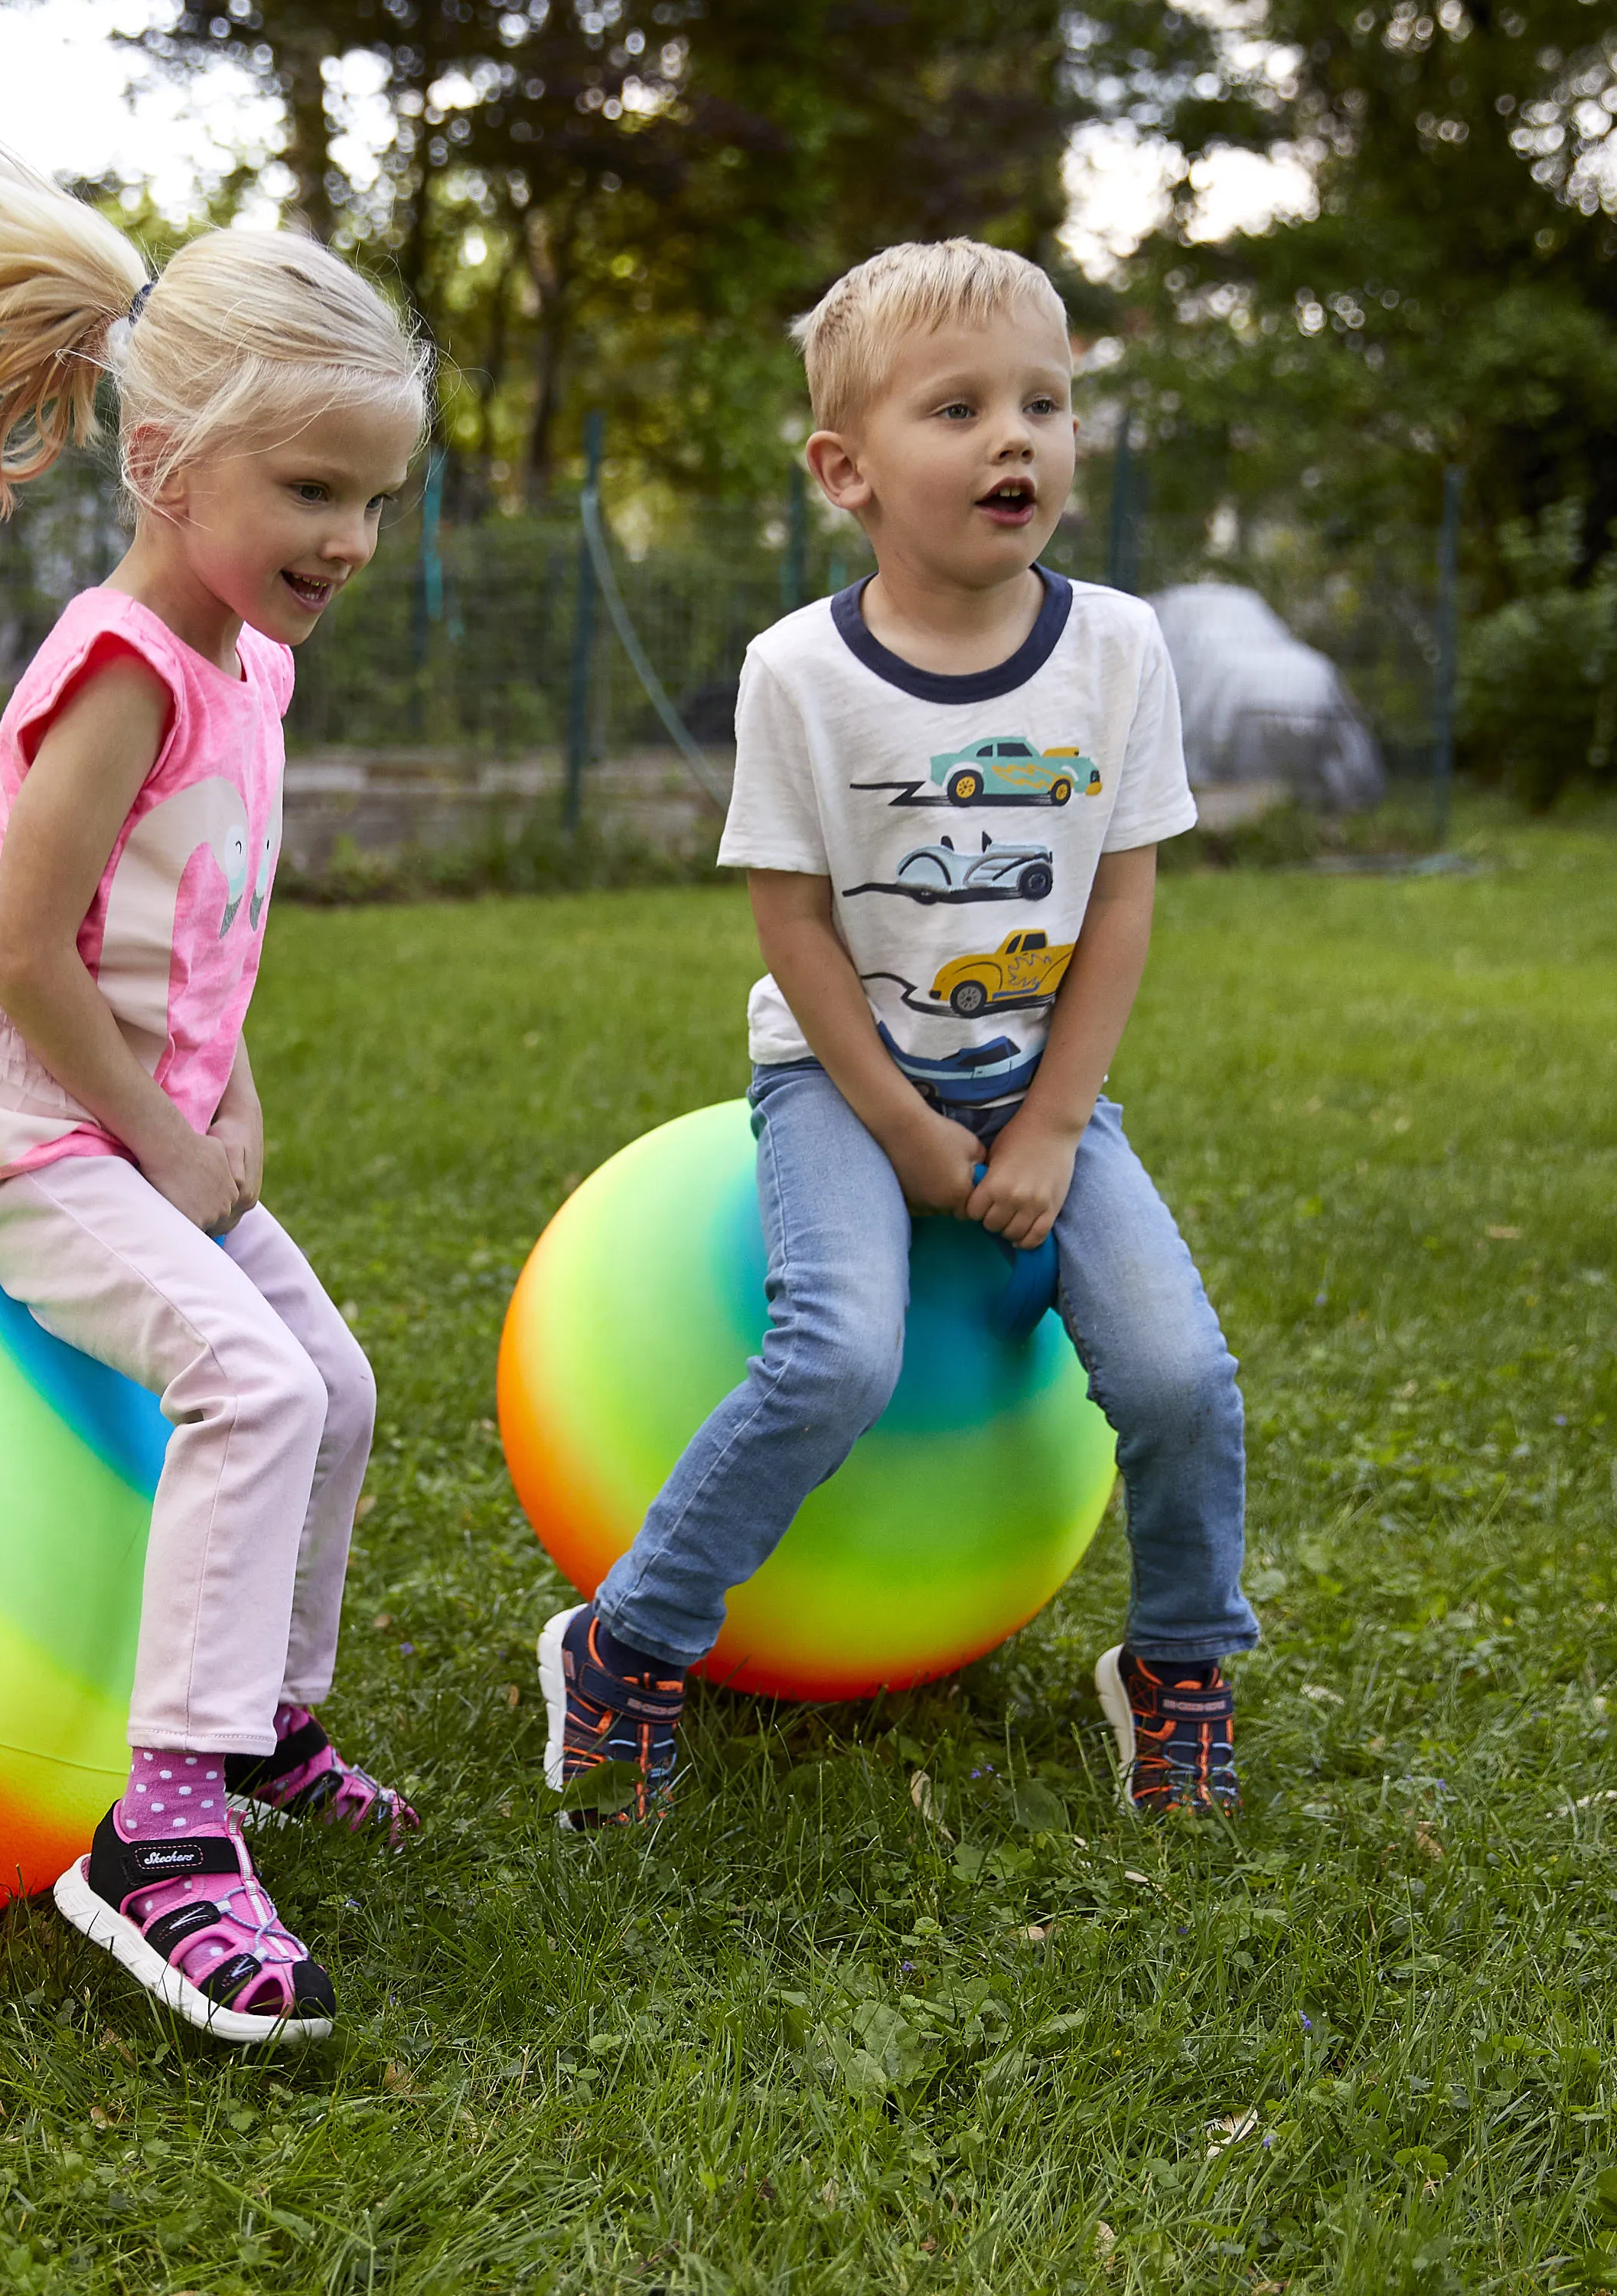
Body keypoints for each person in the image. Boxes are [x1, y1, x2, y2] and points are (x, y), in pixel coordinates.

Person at [539, 240, 1253, 1828]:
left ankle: (1179, 1665)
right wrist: (911, 1131)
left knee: (1183, 1375)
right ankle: (629, 1641)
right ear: (845, 470)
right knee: (839, 1352)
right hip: (838, 1082)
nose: (1019, 439)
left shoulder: (1118, 650)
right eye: (962, 408)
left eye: (1047, 403)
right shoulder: (799, 673)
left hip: (1036, 1080)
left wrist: (1055, 1124)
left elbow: (1120, 905)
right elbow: (792, 928)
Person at [0, 142, 429, 2043]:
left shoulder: (245, 660)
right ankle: (159, 1837)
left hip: (147, 1131)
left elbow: (200, 925)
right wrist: (166, 1138)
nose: (348, 536)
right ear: (167, 463)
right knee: (247, 1382)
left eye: (374, 498)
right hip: (21, 1134)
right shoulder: (118, 670)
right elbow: (25, 954)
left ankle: (257, 1730)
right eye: (311, 490)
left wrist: (225, 1087)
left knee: (333, 1382)